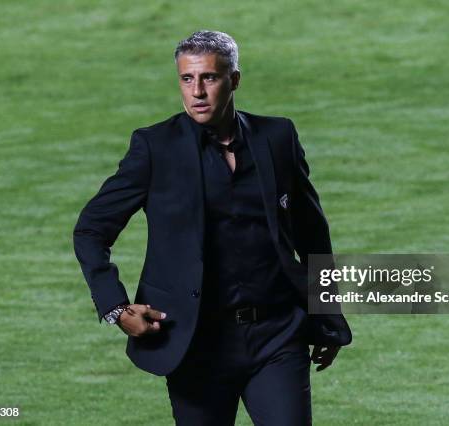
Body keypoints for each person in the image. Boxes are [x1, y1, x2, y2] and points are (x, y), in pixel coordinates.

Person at [73, 30, 351, 425]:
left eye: (210, 78)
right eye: (187, 79)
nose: (197, 91)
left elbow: (312, 235)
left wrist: (328, 315)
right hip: (195, 341)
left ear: (234, 80)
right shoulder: (155, 148)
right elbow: (90, 230)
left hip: (277, 334)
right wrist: (116, 308)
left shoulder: (278, 137)